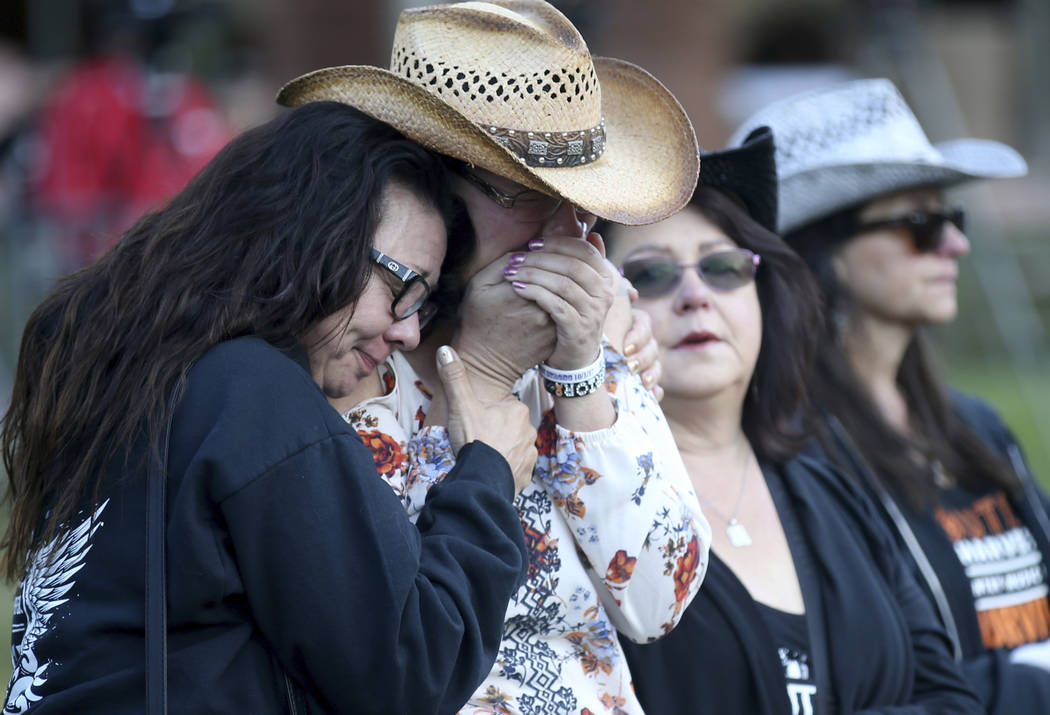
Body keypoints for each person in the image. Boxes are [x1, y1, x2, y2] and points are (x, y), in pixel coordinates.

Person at [0, 101, 539, 714]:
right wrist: (486, 479)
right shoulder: (252, 396)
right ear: (310, 237)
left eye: (425, 304)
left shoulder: (136, 373)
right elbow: (409, 671)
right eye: (399, 288)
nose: (409, 332)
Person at [276, 1, 711, 712]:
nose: (568, 233)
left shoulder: (593, 331)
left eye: (584, 204)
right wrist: (480, 366)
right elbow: (373, 629)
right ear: (429, 183)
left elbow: (659, 601)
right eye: (531, 196)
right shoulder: (335, 348)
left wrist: (581, 374)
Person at [604, 128, 983, 714]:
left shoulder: (831, 479)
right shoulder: (586, 510)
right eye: (651, 276)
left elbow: (949, 698)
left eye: (724, 268)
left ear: (764, 295)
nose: (694, 295)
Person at [731, 78, 1050, 713]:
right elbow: (875, 671)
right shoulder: (791, 453)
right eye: (921, 225)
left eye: (951, 220)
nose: (955, 245)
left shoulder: (975, 425)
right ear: (827, 253)